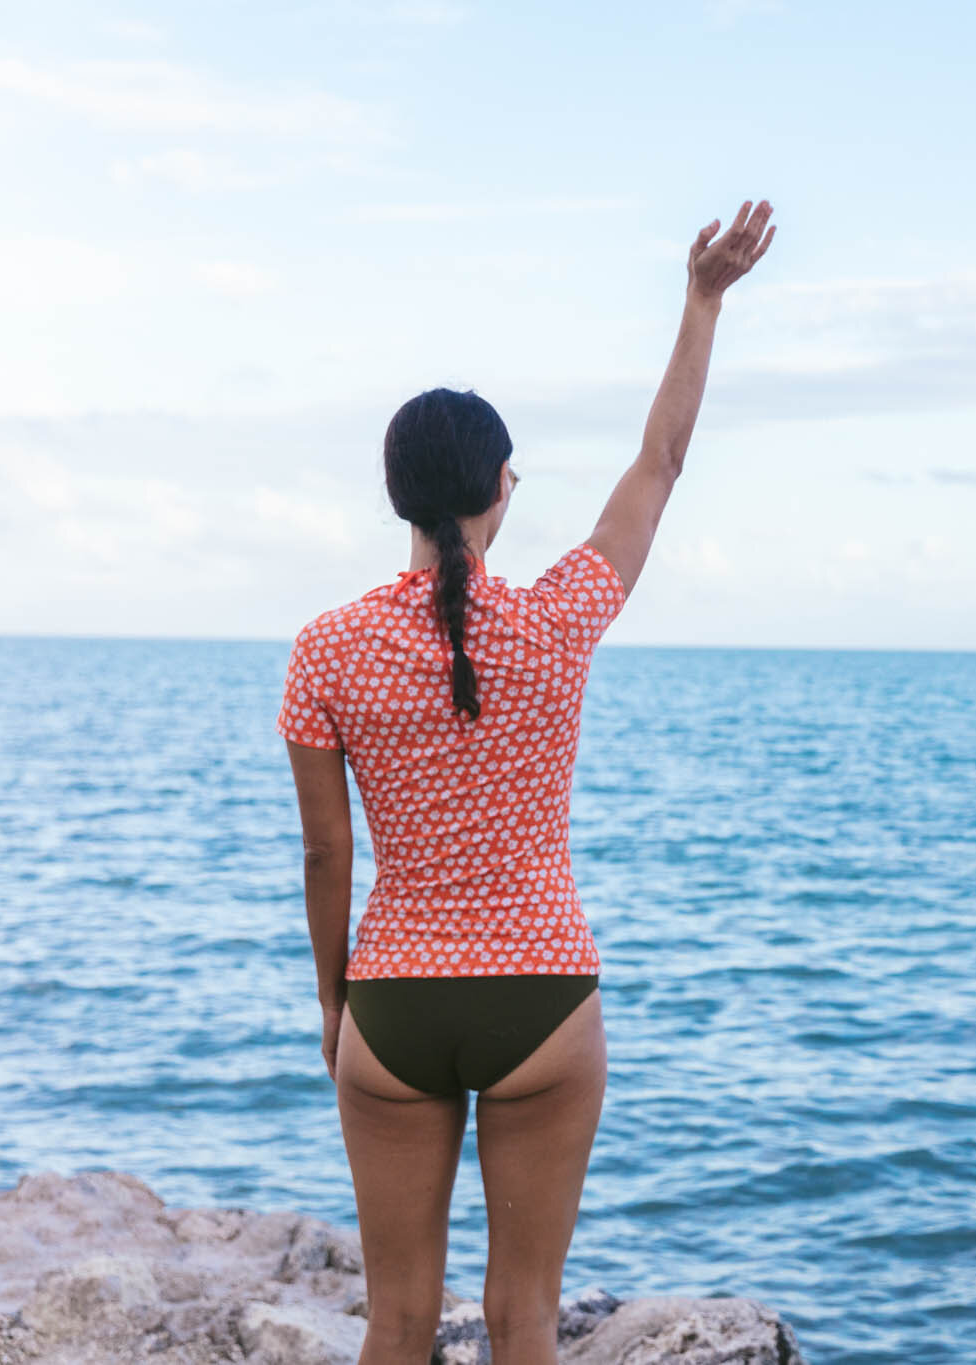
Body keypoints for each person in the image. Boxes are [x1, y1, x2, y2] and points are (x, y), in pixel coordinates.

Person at [279, 199, 775, 1364]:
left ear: (397, 494)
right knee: (525, 1320)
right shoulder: (558, 621)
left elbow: (324, 855)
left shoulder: (324, 649)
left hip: (392, 1001)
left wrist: (334, 1007)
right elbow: (659, 463)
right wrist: (701, 304)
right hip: (543, 997)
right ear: (504, 487)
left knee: (395, 1319)